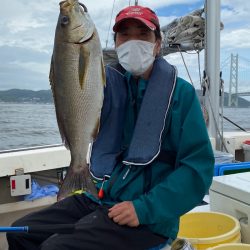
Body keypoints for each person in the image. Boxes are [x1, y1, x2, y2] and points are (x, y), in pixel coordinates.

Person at [7, 5, 214, 250]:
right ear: (115, 43)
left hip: (149, 218)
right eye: (124, 35)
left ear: (158, 43)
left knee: (55, 248)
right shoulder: (108, 87)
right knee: (19, 233)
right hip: (101, 197)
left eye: (143, 34)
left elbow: (197, 168)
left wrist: (144, 209)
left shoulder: (180, 94)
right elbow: (74, 90)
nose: (133, 41)